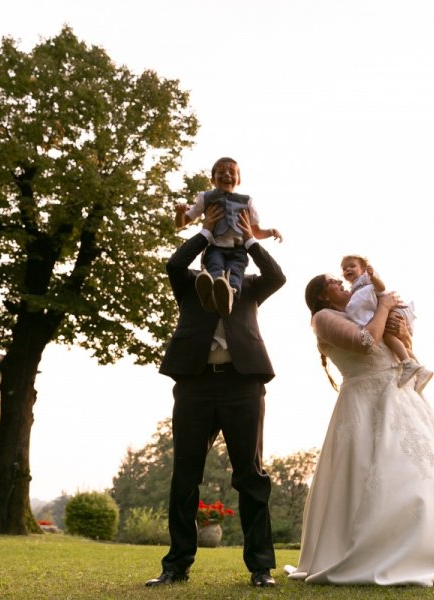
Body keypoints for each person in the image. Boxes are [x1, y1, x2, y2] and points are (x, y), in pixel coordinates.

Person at [286, 274, 434, 587]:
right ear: (322, 296)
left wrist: (402, 331)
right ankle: (384, 554)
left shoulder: (363, 311)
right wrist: (386, 305)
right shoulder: (324, 318)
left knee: (425, 473)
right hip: (364, 403)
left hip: (402, 397)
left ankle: (430, 550)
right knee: (381, 478)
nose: (344, 284)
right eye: (335, 282)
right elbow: (365, 343)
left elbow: (397, 351)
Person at [145, 203, 286, 589]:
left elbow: (278, 275)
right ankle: (176, 566)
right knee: (185, 476)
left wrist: (250, 241)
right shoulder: (191, 283)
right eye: (214, 255)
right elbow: (174, 265)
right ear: (208, 257)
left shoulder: (251, 287)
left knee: (251, 476)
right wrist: (206, 233)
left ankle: (261, 568)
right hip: (195, 385)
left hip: (244, 385)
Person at [176, 157, 282, 317]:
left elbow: (256, 232)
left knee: (235, 273)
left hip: (238, 249)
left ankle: (230, 294)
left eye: (232, 172)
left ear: (238, 180)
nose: (227, 175)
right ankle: (213, 291)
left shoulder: (247, 201)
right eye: (221, 172)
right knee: (215, 267)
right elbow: (182, 223)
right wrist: (180, 213)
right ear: (212, 180)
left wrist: (270, 232)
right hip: (215, 247)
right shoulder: (206, 198)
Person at [340, 254, 434, 393]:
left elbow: (382, 287)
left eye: (352, 266)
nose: (348, 269)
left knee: (389, 337)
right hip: (387, 311)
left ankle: (408, 365)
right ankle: (420, 370)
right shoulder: (354, 289)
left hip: (393, 310)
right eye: (344, 268)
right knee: (391, 340)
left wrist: (373, 277)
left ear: (364, 268)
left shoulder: (366, 277)